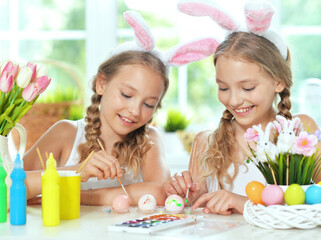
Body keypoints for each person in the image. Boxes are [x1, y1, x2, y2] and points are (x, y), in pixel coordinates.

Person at [23, 10, 217, 206]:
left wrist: (72, 194)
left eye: (149, 104)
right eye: (126, 95)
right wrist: (76, 172)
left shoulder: (148, 141)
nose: (135, 110)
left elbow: (159, 192)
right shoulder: (65, 133)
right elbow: (10, 186)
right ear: (101, 84)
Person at [164, 0, 321, 215]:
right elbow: (199, 211)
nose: (235, 100)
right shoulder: (205, 143)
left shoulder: (300, 131)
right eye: (223, 87)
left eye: (247, 88)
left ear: (278, 82)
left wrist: (246, 203)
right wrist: (190, 198)